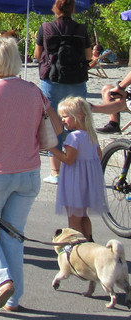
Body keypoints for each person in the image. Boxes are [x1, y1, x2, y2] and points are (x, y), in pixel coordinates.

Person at [0, 36, 59, 311]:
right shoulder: (33, 90)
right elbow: (57, 128)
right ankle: (14, 299)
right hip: (29, 172)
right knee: (13, 234)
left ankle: (1, 279)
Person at [35, 0, 90, 184]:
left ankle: (56, 172)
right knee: (79, 122)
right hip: (77, 79)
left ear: (55, 8)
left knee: (54, 124)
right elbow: (89, 55)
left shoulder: (46, 27)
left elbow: (37, 54)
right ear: (73, 9)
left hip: (52, 79)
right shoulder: (81, 29)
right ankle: (80, 167)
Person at [51, 95, 106, 240]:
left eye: (65, 116)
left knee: (74, 218)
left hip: (74, 182)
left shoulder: (73, 137)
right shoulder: (91, 135)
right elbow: (99, 156)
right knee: (83, 215)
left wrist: (51, 148)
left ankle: (78, 246)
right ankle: (89, 239)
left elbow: (68, 159)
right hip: (87, 182)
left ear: (79, 116)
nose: (62, 120)